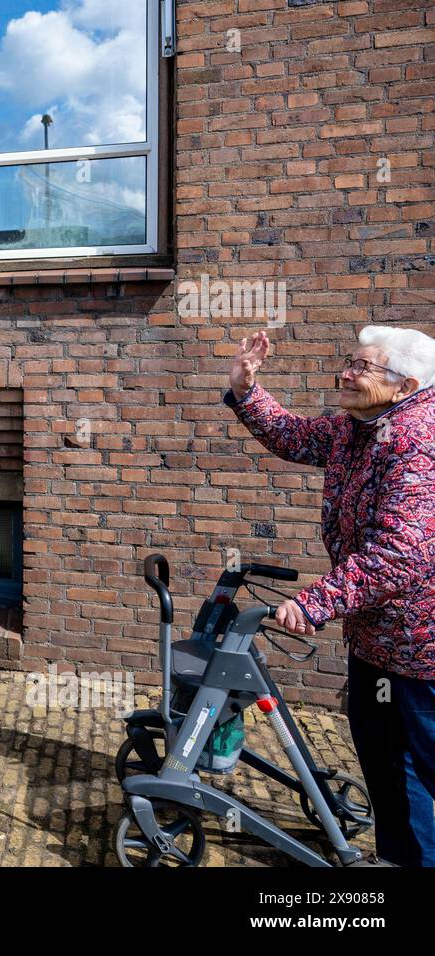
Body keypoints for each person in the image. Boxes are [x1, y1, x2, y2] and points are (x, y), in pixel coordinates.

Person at [227, 326, 435, 866]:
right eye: (349, 361)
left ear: (405, 384)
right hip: (377, 643)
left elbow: (403, 551)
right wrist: (248, 388)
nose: (345, 372)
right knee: (389, 768)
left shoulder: (419, 442)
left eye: (362, 368)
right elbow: (295, 435)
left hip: (425, 651)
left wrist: (315, 602)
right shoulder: (357, 428)